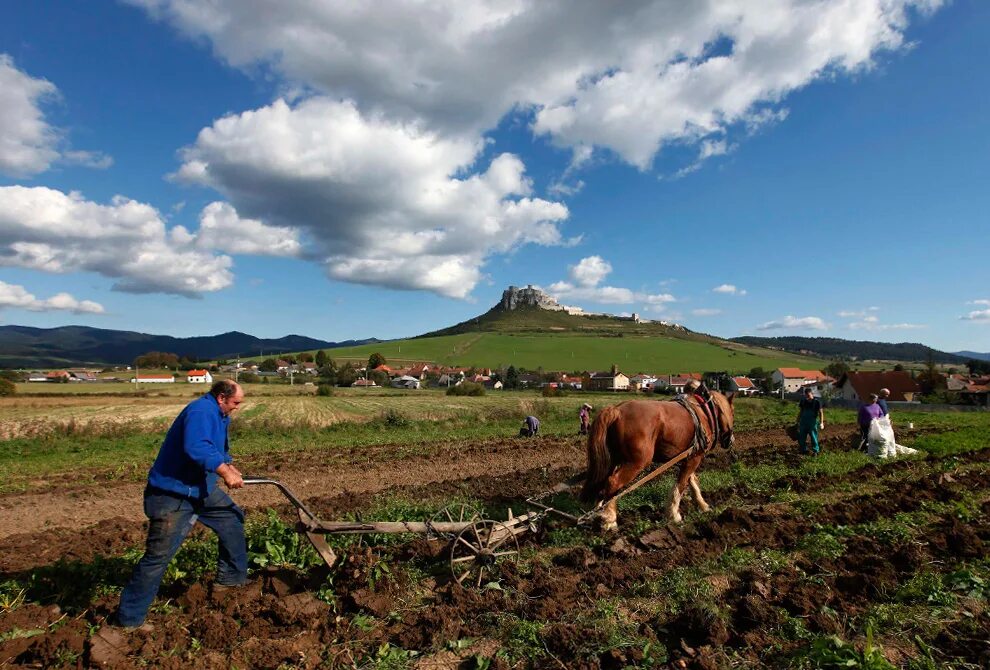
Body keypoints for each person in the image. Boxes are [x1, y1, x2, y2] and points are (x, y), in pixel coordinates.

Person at [115, 380, 247, 628]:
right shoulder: (200, 411)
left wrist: (228, 465)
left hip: (200, 488)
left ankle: (230, 579)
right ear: (221, 397)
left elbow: (215, 447)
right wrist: (224, 472)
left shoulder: (219, 414)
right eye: (236, 402)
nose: (237, 407)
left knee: (231, 517)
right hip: (172, 493)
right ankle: (128, 620)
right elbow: (196, 446)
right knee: (158, 557)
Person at [796, 387, 824, 455]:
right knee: (801, 437)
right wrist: (797, 421)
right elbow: (801, 411)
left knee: (813, 437)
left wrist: (821, 422)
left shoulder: (817, 402)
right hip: (803, 422)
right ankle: (803, 450)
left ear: (812, 394)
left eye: (808, 396)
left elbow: (821, 412)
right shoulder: (803, 401)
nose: (807, 397)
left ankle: (815, 451)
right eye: (806, 396)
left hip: (812, 422)